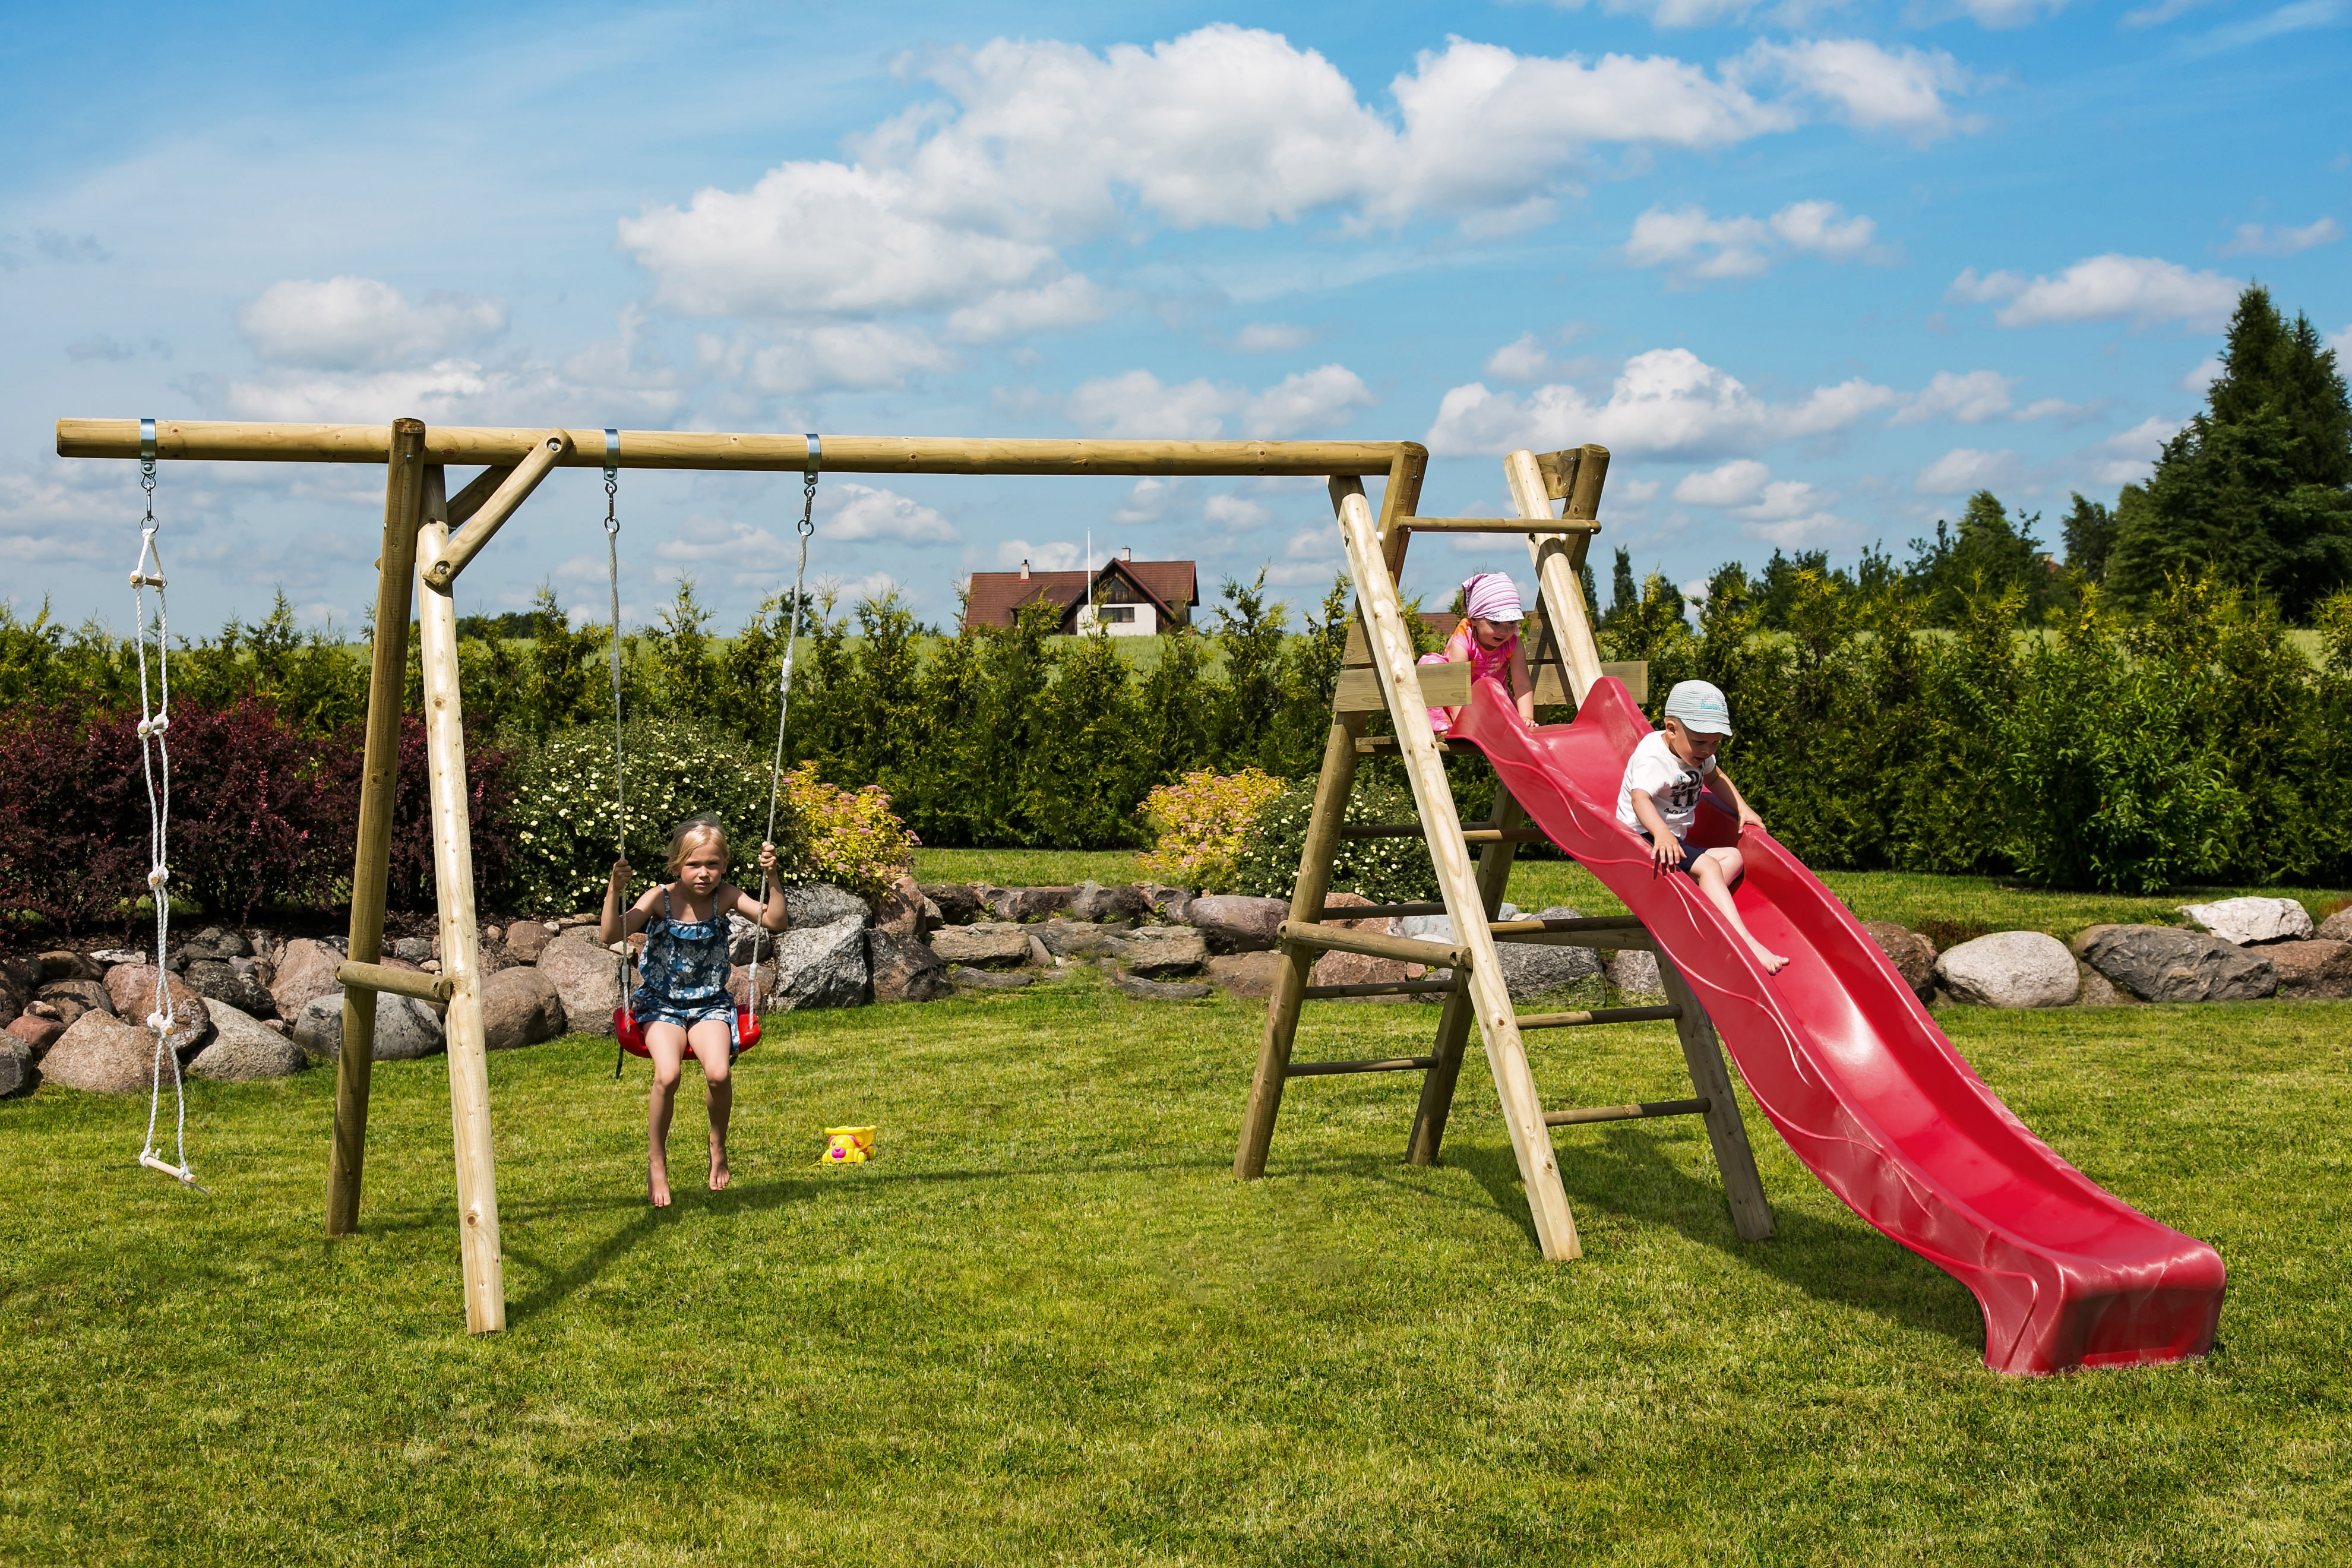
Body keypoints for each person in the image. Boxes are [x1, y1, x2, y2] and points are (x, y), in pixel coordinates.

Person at [602, 815, 789, 1206]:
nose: (703, 873)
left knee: (719, 1074)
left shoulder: (726, 896)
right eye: (694, 865)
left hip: (709, 1006)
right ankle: (657, 1161)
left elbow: (776, 921)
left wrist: (773, 878)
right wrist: (613, 890)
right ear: (676, 866)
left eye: (712, 864)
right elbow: (610, 934)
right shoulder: (659, 899)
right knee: (667, 1075)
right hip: (661, 1004)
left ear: (724, 864)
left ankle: (717, 1143)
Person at [1617, 680, 1790, 975]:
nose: (1708, 750)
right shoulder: (1652, 756)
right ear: (1671, 729)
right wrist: (1660, 832)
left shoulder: (1697, 752)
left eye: (1715, 743)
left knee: (1733, 858)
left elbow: (1716, 778)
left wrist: (1742, 807)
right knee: (1709, 867)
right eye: (1700, 742)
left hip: (1671, 841)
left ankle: (1696, 898)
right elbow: (1640, 798)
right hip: (1641, 840)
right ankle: (1744, 942)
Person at [1422, 572, 1536, 734]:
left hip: (1488, 699)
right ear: (1474, 619)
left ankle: (1498, 724)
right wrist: (1463, 725)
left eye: (1511, 623)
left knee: (1499, 693)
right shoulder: (1463, 640)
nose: (1504, 631)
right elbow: (1457, 685)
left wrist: (1526, 718)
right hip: (1453, 700)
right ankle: (1443, 725)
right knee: (1430, 665)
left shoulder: (1513, 642)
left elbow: (1522, 685)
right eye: (1495, 623)